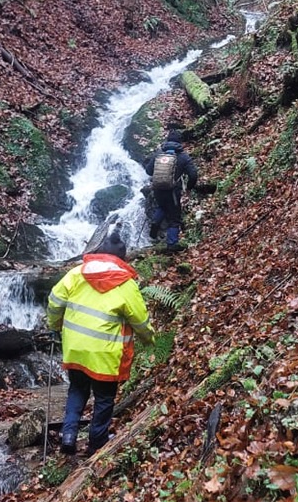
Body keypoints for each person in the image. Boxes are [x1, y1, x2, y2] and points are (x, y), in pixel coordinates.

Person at [46, 230, 155, 456]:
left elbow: (55, 301)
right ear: (122, 258)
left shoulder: (76, 273)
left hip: (75, 348)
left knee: (77, 390)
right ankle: (96, 444)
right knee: (104, 398)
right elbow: (140, 321)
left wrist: (54, 326)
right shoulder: (126, 284)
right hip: (106, 354)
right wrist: (150, 341)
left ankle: (69, 436)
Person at [144, 129, 198, 252]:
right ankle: (172, 244)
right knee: (174, 217)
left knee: (162, 207)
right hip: (173, 192)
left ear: (167, 140)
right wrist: (189, 187)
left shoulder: (158, 154)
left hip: (158, 189)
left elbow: (148, 171)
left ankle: (155, 222)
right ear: (180, 142)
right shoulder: (183, 157)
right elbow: (193, 175)